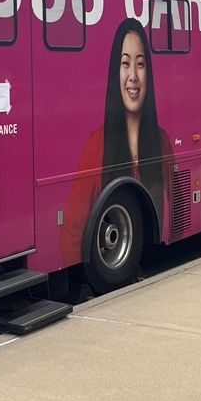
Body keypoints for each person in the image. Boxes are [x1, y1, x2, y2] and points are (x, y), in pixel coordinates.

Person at [58, 18, 173, 265]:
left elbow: (178, 214)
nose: (133, 76)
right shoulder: (97, 144)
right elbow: (70, 233)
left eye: (140, 64)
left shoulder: (162, 141)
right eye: (125, 63)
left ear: (148, 72)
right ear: (115, 71)